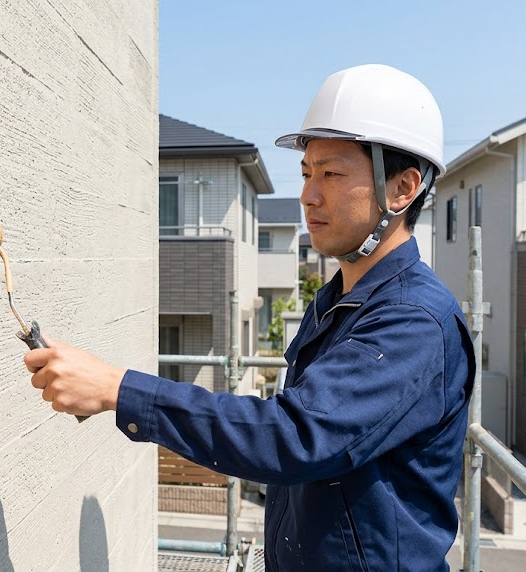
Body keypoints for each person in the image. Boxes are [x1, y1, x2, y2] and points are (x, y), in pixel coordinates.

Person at [25, 64, 474, 571]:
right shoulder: (340, 300)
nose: (308, 195)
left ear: (402, 189)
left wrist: (119, 389)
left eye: (331, 174)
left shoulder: (413, 321)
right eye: (306, 173)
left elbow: (294, 437)